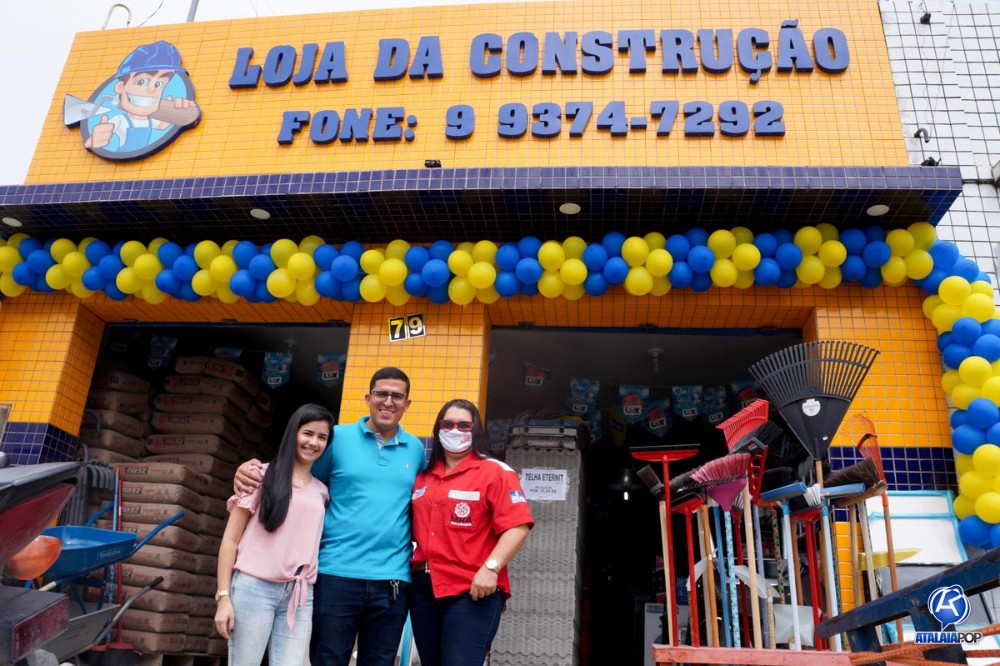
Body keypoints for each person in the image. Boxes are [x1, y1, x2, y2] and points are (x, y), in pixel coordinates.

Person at [234, 367, 426, 666]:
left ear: (407, 403)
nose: (388, 402)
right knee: (328, 660)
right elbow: (302, 478)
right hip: (336, 573)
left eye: (397, 396)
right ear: (368, 398)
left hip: (392, 580)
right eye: (381, 394)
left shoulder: (415, 449)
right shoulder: (337, 438)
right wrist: (252, 471)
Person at [409, 398, 534, 666]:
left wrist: (491, 568)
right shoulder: (423, 477)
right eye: (448, 424)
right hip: (423, 590)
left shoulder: (496, 472)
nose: (455, 430)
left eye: (464, 425)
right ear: (438, 428)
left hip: (472, 589)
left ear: (476, 430)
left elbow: (517, 526)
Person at [215, 403, 334, 666]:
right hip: (254, 588)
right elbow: (230, 540)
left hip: (299, 595)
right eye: (308, 433)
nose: (313, 442)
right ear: (293, 433)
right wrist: (223, 598)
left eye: (322, 437)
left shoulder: (322, 491)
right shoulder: (259, 476)